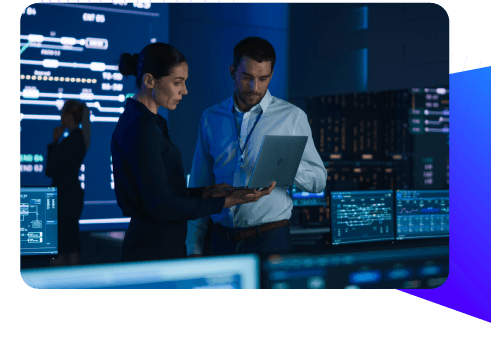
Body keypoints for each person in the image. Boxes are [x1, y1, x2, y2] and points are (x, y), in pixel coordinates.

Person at [111, 42, 275, 263]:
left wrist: (208, 192)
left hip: (157, 247)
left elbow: (161, 193)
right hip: (153, 253)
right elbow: (162, 205)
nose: (184, 91)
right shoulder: (141, 127)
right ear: (149, 80)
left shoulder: (146, 122)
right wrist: (226, 202)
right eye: (177, 82)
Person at [187, 36, 327, 257]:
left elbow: (319, 180)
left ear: (271, 75)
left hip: (271, 239)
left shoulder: (292, 117)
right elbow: (200, 185)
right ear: (232, 71)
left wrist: (284, 166)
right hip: (221, 241)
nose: (255, 87)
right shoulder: (210, 118)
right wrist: (193, 248)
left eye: (264, 78)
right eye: (247, 77)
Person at [46, 99, 91, 266]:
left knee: (64, 244)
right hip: (70, 195)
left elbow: (50, 170)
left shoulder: (72, 140)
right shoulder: (79, 138)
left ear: (68, 115)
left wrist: (53, 143)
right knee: (69, 242)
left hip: (65, 197)